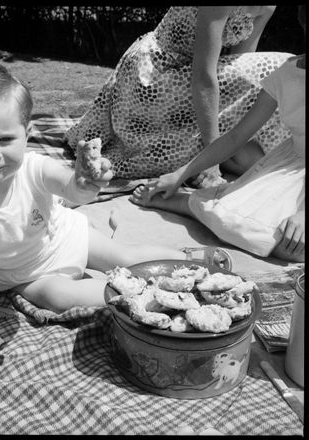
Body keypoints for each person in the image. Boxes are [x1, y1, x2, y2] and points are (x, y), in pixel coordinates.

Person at [0, 59, 231, 349]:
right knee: (59, 297)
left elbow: (70, 189)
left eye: (5, 139)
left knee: (127, 258)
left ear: (26, 135)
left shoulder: (35, 168)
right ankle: (147, 295)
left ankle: (187, 265)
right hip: (27, 277)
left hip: (71, 237)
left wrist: (85, 182)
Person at [130, 6, 305, 263]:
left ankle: (204, 204)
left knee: (293, 246)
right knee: (272, 238)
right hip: (293, 167)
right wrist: (180, 174)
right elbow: (235, 137)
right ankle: (189, 203)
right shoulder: (287, 73)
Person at [65, 6, 293, 186]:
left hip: (185, 81)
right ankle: (213, 157)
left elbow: (241, 67)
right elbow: (203, 76)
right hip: (154, 75)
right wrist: (211, 162)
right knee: (280, 68)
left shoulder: (267, 6)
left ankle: (229, 152)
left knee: (263, 159)